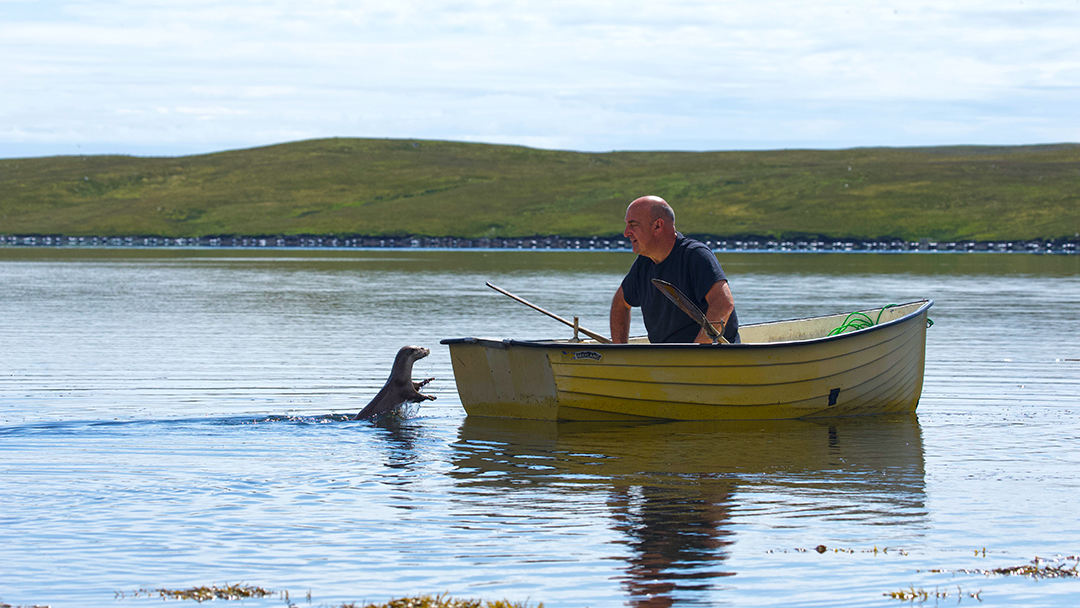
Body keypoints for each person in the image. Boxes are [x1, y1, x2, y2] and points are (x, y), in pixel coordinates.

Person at [610, 195, 739, 344]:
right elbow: (620, 302)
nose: (626, 233)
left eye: (633, 225)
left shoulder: (695, 255)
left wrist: (696, 353)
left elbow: (723, 303)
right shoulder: (644, 263)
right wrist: (621, 352)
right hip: (668, 360)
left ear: (657, 226)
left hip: (713, 360)